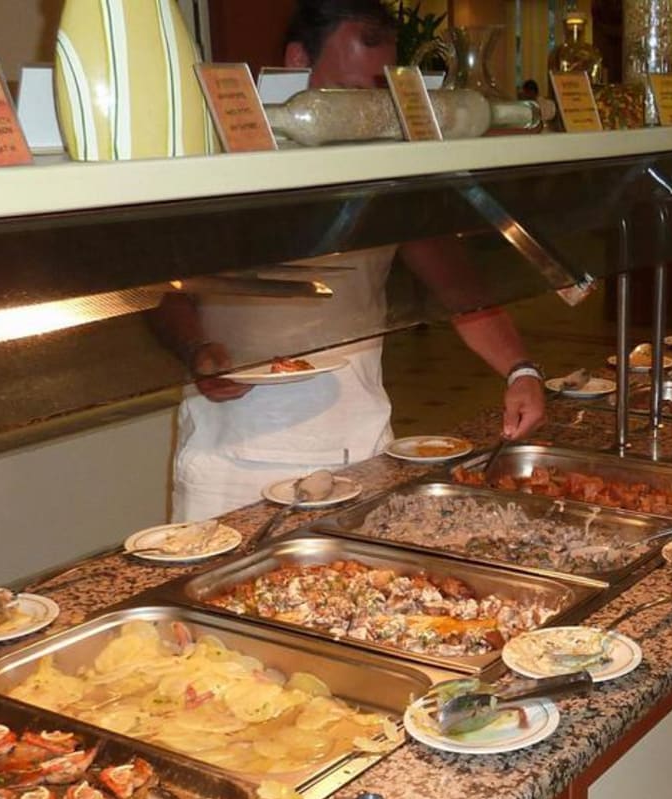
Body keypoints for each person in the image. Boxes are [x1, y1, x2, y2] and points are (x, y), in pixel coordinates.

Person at [165, 0, 546, 521]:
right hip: (227, 455)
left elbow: (460, 290)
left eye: (377, 97)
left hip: (353, 445)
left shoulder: (385, 171)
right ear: (297, 61)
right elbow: (166, 292)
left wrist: (521, 370)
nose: (366, 112)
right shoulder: (217, 162)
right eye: (349, 93)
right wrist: (197, 351)